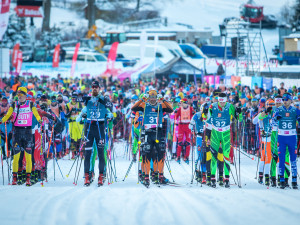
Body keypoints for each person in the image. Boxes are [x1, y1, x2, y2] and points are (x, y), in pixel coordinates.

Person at [131, 89, 173, 187]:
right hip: (147, 133)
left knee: (159, 155)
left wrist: (163, 100)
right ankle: (145, 176)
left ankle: (159, 175)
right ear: (148, 97)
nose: (153, 99)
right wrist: (142, 99)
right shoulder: (144, 105)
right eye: (151, 97)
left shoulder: (160, 105)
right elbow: (134, 108)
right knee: (146, 155)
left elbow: (171, 109)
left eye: (154, 97)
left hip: (158, 132)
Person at [1, 87, 42, 186]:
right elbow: (7, 115)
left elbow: (36, 114)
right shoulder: (14, 105)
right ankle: (15, 178)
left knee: (28, 157)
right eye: (18, 95)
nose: (19, 97)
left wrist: (39, 119)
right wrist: (2, 120)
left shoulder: (30, 104)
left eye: (21, 95)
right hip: (17, 133)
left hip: (28, 132)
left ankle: (28, 178)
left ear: (25, 96)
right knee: (16, 157)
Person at [76, 80, 113, 186]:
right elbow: (78, 119)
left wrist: (109, 115)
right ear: (91, 89)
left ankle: (101, 176)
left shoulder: (103, 100)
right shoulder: (88, 101)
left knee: (101, 154)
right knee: (87, 154)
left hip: (100, 128)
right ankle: (87, 176)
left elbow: (110, 112)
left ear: (99, 89)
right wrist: (81, 116)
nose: (94, 88)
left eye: (96, 87)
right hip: (89, 128)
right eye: (93, 87)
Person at [205, 92, 241, 188]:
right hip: (215, 133)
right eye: (220, 102)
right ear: (218, 100)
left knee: (226, 156)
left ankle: (227, 178)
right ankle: (213, 178)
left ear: (226, 100)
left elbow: (239, 119)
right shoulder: (212, 106)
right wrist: (205, 113)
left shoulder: (230, 106)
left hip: (225, 134)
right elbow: (207, 120)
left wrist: (239, 113)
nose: (222, 104)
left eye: (223, 102)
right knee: (213, 156)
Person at [272, 93, 300, 189]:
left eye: (287, 99)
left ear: (290, 100)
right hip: (282, 137)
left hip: (292, 137)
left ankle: (294, 180)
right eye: (283, 99)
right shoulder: (278, 110)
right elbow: (273, 122)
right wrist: (276, 118)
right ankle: (282, 180)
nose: (284, 101)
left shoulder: (295, 110)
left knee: (293, 159)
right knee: (281, 159)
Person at [189, 102, 207, 183]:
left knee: (206, 156)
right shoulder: (198, 114)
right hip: (199, 136)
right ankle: (198, 172)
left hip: (207, 137)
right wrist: (193, 126)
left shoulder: (210, 115)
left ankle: (205, 174)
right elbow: (190, 124)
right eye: (204, 110)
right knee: (199, 156)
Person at [175, 98, 194, 164]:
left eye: (182, 103)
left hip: (188, 126)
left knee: (188, 143)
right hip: (181, 126)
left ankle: (186, 156)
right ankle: (178, 156)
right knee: (180, 142)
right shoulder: (180, 109)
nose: (181, 104)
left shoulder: (190, 108)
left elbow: (193, 116)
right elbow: (176, 117)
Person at [66, 92, 83, 159]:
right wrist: (71, 111)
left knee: (80, 138)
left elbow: (82, 111)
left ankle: (81, 153)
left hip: (79, 123)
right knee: (73, 139)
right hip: (72, 123)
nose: (74, 99)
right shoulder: (68, 105)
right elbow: (66, 115)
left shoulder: (79, 104)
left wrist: (76, 109)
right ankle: (73, 153)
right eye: (72, 98)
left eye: (75, 98)